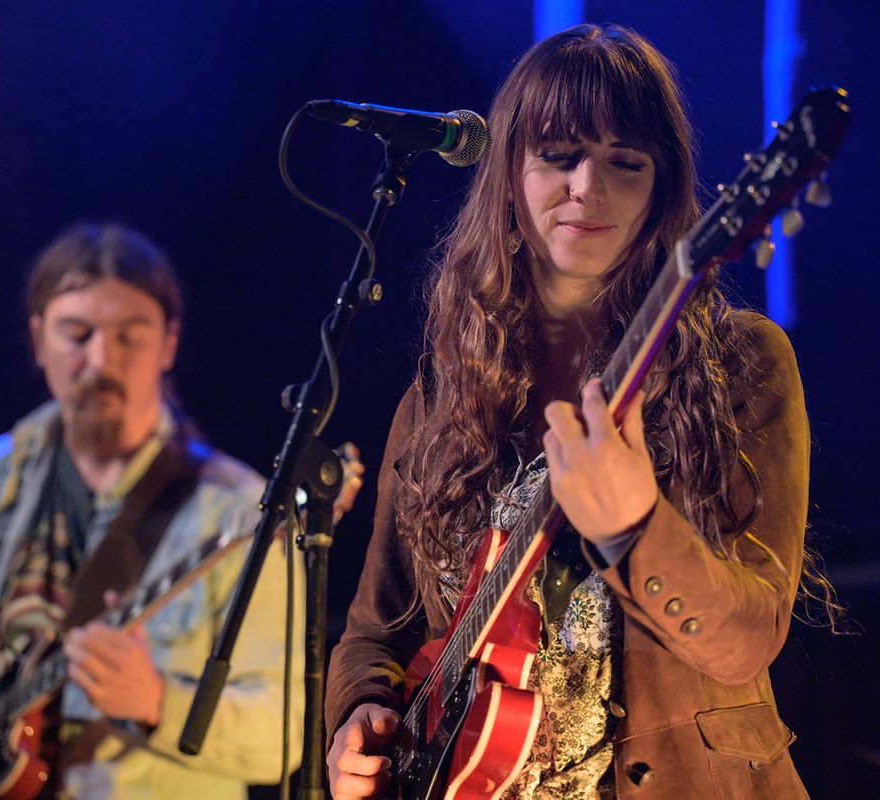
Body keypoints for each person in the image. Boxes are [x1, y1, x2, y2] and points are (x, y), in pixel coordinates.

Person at [325, 23, 832, 800]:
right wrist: (358, 716)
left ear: (661, 193)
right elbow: (376, 630)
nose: (587, 189)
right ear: (507, 178)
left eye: (624, 163)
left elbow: (748, 639)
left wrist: (636, 524)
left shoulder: (742, 364)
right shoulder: (440, 397)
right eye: (559, 156)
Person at [0, 223, 359, 799]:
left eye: (130, 336)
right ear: (37, 340)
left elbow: (284, 741)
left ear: (169, 343)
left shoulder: (241, 508)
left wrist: (155, 704)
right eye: (76, 334)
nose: (101, 360)